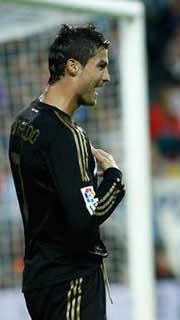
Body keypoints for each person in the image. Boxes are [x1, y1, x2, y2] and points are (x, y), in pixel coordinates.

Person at [8, 24, 125, 320]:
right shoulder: (66, 135)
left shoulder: (25, 120)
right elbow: (85, 220)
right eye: (101, 66)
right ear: (73, 67)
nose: (107, 77)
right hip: (71, 282)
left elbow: (51, 189)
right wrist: (113, 177)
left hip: (40, 278)